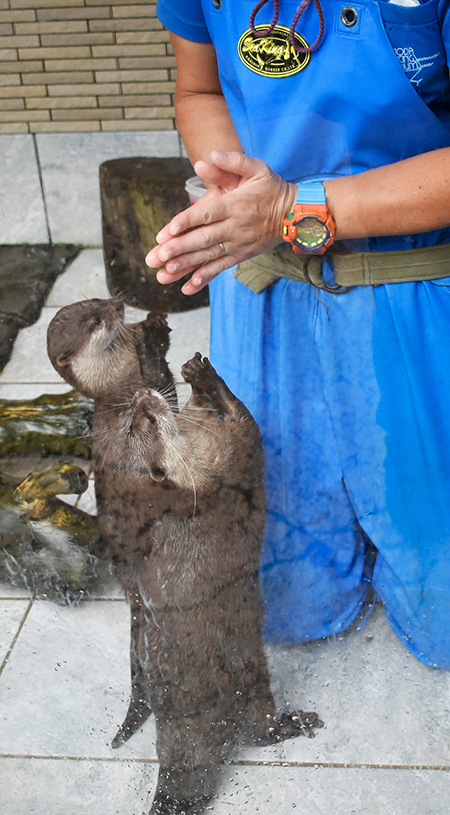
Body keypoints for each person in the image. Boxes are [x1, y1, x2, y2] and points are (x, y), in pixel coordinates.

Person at [145, 0, 450, 668]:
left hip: (416, 291)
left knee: (443, 607)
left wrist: (292, 208)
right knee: (287, 595)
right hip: (265, 285)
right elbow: (198, 86)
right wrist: (233, 194)